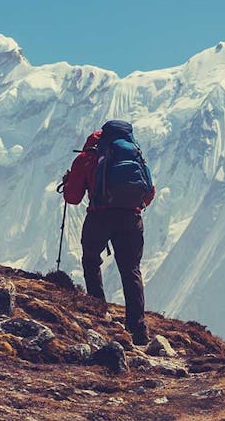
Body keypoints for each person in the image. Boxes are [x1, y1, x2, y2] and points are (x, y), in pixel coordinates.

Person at [61, 120, 155, 346]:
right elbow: (148, 194)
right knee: (131, 270)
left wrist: (69, 182)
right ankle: (137, 328)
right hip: (131, 219)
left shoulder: (87, 158)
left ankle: (98, 313)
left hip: (100, 216)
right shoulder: (135, 156)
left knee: (91, 260)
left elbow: (72, 198)